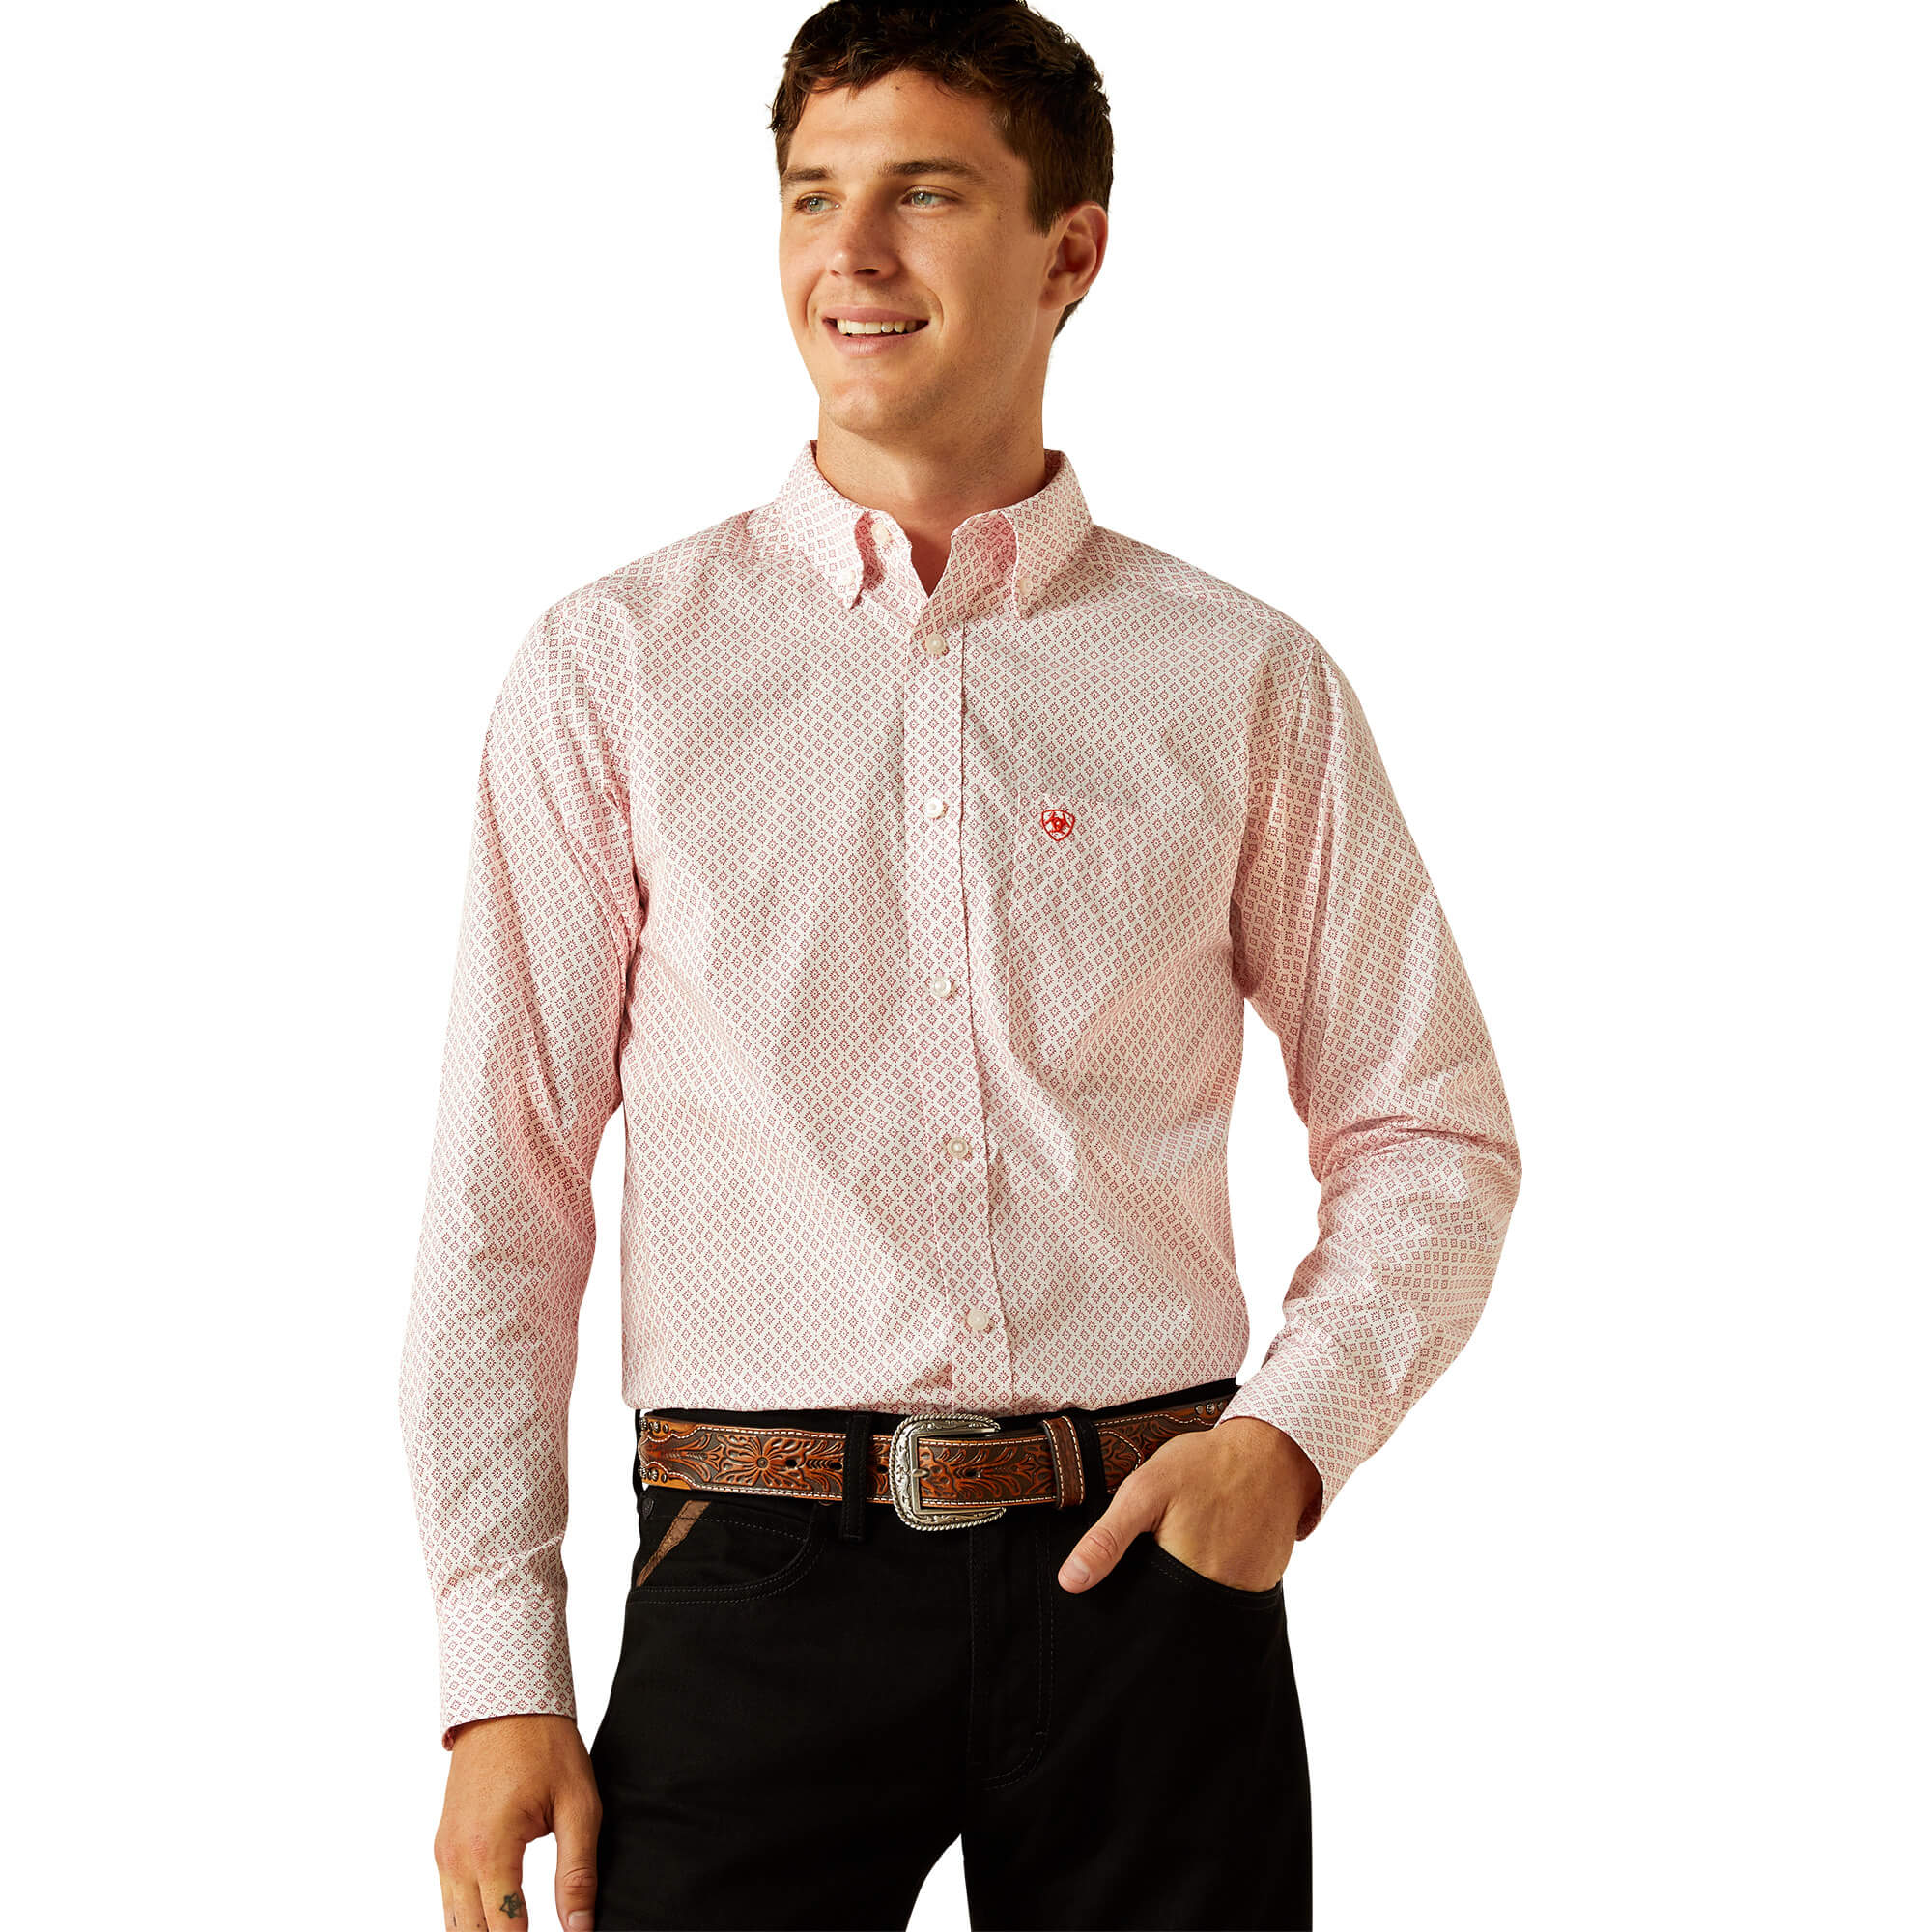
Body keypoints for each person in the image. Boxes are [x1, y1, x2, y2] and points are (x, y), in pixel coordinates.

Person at [398, 4, 1523, 1927]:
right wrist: (498, 1674)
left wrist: (1285, 1445)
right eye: (811, 196)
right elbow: (507, 1196)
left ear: (1069, 250)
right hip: (754, 1575)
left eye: (923, 194)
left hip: (1149, 1566)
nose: (850, 251)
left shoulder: (1237, 678)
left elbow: (1430, 1131)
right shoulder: (618, 670)